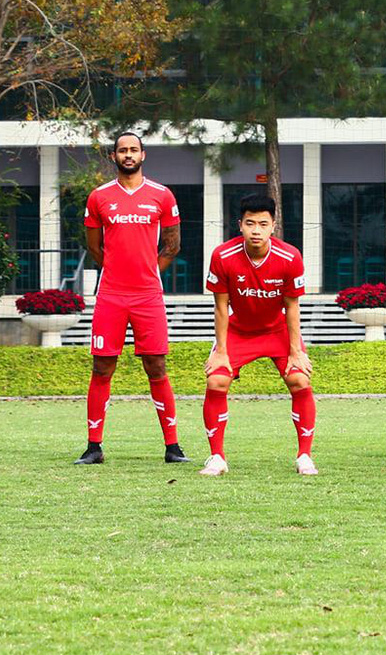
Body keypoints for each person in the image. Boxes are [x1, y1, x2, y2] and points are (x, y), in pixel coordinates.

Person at [75, 132, 188, 465]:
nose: (128, 154)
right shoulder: (98, 197)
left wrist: (149, 271)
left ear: (143, 155)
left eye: (133, 150)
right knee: (102, 366)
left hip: (148, 296)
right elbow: (94, 247)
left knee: (156, 365)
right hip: (111, 295)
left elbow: (172, 245)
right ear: (113, 156)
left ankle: (173, 447)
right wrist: (118, 271)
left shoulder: (161, 196)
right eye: (122, 150)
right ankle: (94, 446)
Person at [201, 194, 317, 475]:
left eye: (263, 224)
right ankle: (217, 457)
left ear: (273, 226)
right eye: (250, 223)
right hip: (238, 329)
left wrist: (295, 351)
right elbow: (220, 306)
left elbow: (291, 306)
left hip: (276, 329)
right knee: (216, 381)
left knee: (299, 379)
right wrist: (221, 352)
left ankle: (304, 456)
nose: (256, 230)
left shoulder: (290, 256)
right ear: (239, 224)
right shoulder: (222, 256)